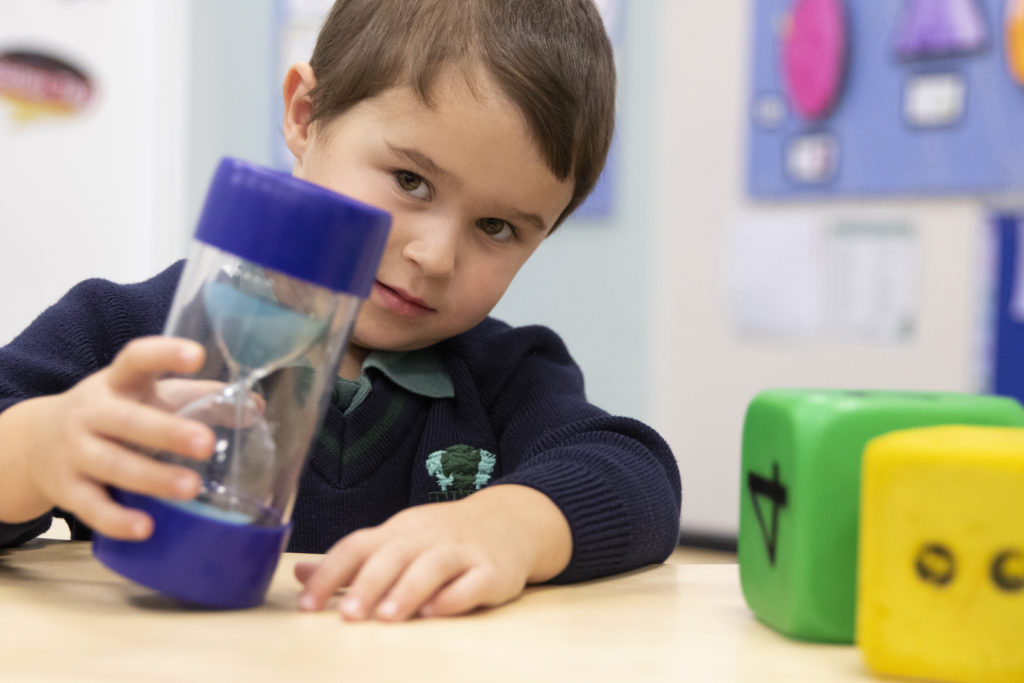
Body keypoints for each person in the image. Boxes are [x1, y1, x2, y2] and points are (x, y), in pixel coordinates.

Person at [0, 0, 681, 621]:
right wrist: (37, 451)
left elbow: (637, 476)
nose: (436, 255)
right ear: (304, 114)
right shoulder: (131, 331)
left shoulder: (506, 375)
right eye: (411, 181)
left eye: (498, 227)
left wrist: (509, 525)